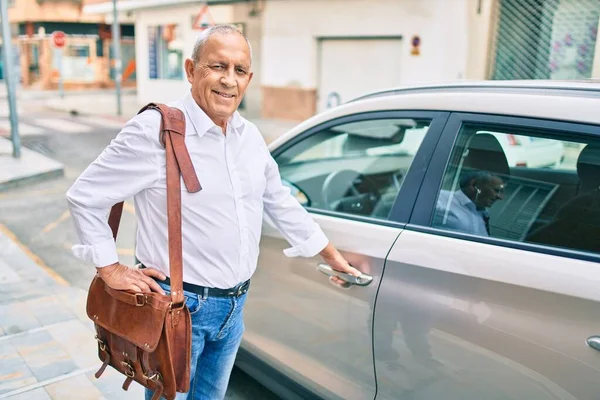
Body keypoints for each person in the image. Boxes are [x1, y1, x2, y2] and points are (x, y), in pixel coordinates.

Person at [66, 24, 360, 400]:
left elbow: (278, 199)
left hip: (233, 310)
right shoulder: (155, 130)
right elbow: (85, 195)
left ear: (249, 78)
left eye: (239, 70)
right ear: (191, 70)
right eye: (217, 66)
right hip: (180, 308)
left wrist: (329, 253)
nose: (229, 81)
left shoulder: (249, 137)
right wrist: (109, 267)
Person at [433, 170, 505, 236]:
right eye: (496, 190)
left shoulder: (482, 214)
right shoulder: (439, 199)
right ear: (473, 185)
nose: (501, 197)